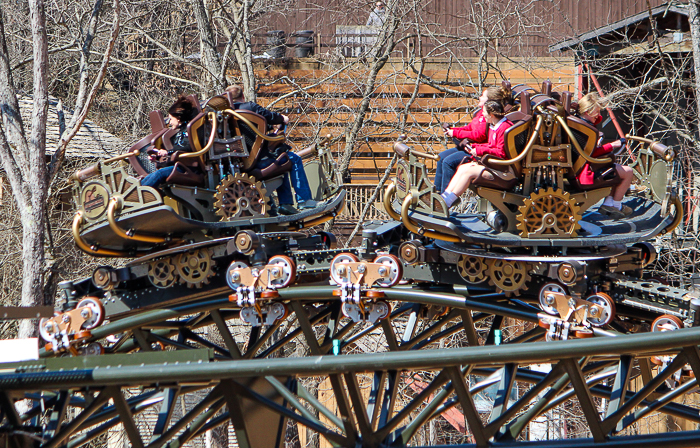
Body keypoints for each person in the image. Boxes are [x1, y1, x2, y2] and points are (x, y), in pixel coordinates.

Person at [226, 85, 317, 215]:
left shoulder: (225, 115)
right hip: (258, 162)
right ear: (243, 96)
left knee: (281, 159)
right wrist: (282, 119)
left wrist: (269, 126)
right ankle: (304, 200)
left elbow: (249, 128)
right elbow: (270, 116)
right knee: (293, 159)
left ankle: (285, 204)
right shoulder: (250, 107)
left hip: (237, 165)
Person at [435, 85, 512, 193]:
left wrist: (458, 134)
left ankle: (444, 197)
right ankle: (436, 193)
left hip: (476, 151)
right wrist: (453, 130)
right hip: (472, 147)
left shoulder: (489, 117)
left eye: (482, 96)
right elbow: (469, 128)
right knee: (441, 157)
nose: (479, 98)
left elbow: (479, 136)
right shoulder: (481, 113)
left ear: (490, 102)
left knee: (448, 162)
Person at [440, 101, 513, 208]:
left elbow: (501, 152)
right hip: (494, 166)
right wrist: (476, 147)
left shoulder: (503, 128)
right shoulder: (495, 125)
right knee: (463, 168)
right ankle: (444, 198)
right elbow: (491, 145)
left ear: (491, 115)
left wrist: (479, 150)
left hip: (503, 172)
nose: (482, 115)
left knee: (468, 172)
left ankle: (448, 202)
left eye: (484, 112)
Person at [574, 92, 634, 219]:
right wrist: (613, 145)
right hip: (586, 172)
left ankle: (608, 203)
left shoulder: (578, 123)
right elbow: (592, 152)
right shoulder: (586, 129)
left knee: (614, 167)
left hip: (582, 168)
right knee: (628, 172)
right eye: (597, 112)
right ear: (587, 112)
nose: (599, 115)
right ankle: (616, 205)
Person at [141, 97, 199, 188]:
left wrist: (168, 152)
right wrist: (158, 157)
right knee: (150, 176)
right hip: (180, 165)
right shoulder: (179, 133)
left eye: (171, 119)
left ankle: (138, 194)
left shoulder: (189, 130)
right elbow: (176, 151)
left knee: (160, 174)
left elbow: (188, 147)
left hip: (187, 168)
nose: (170, 122)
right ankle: (136, 191)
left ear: (178, 118)